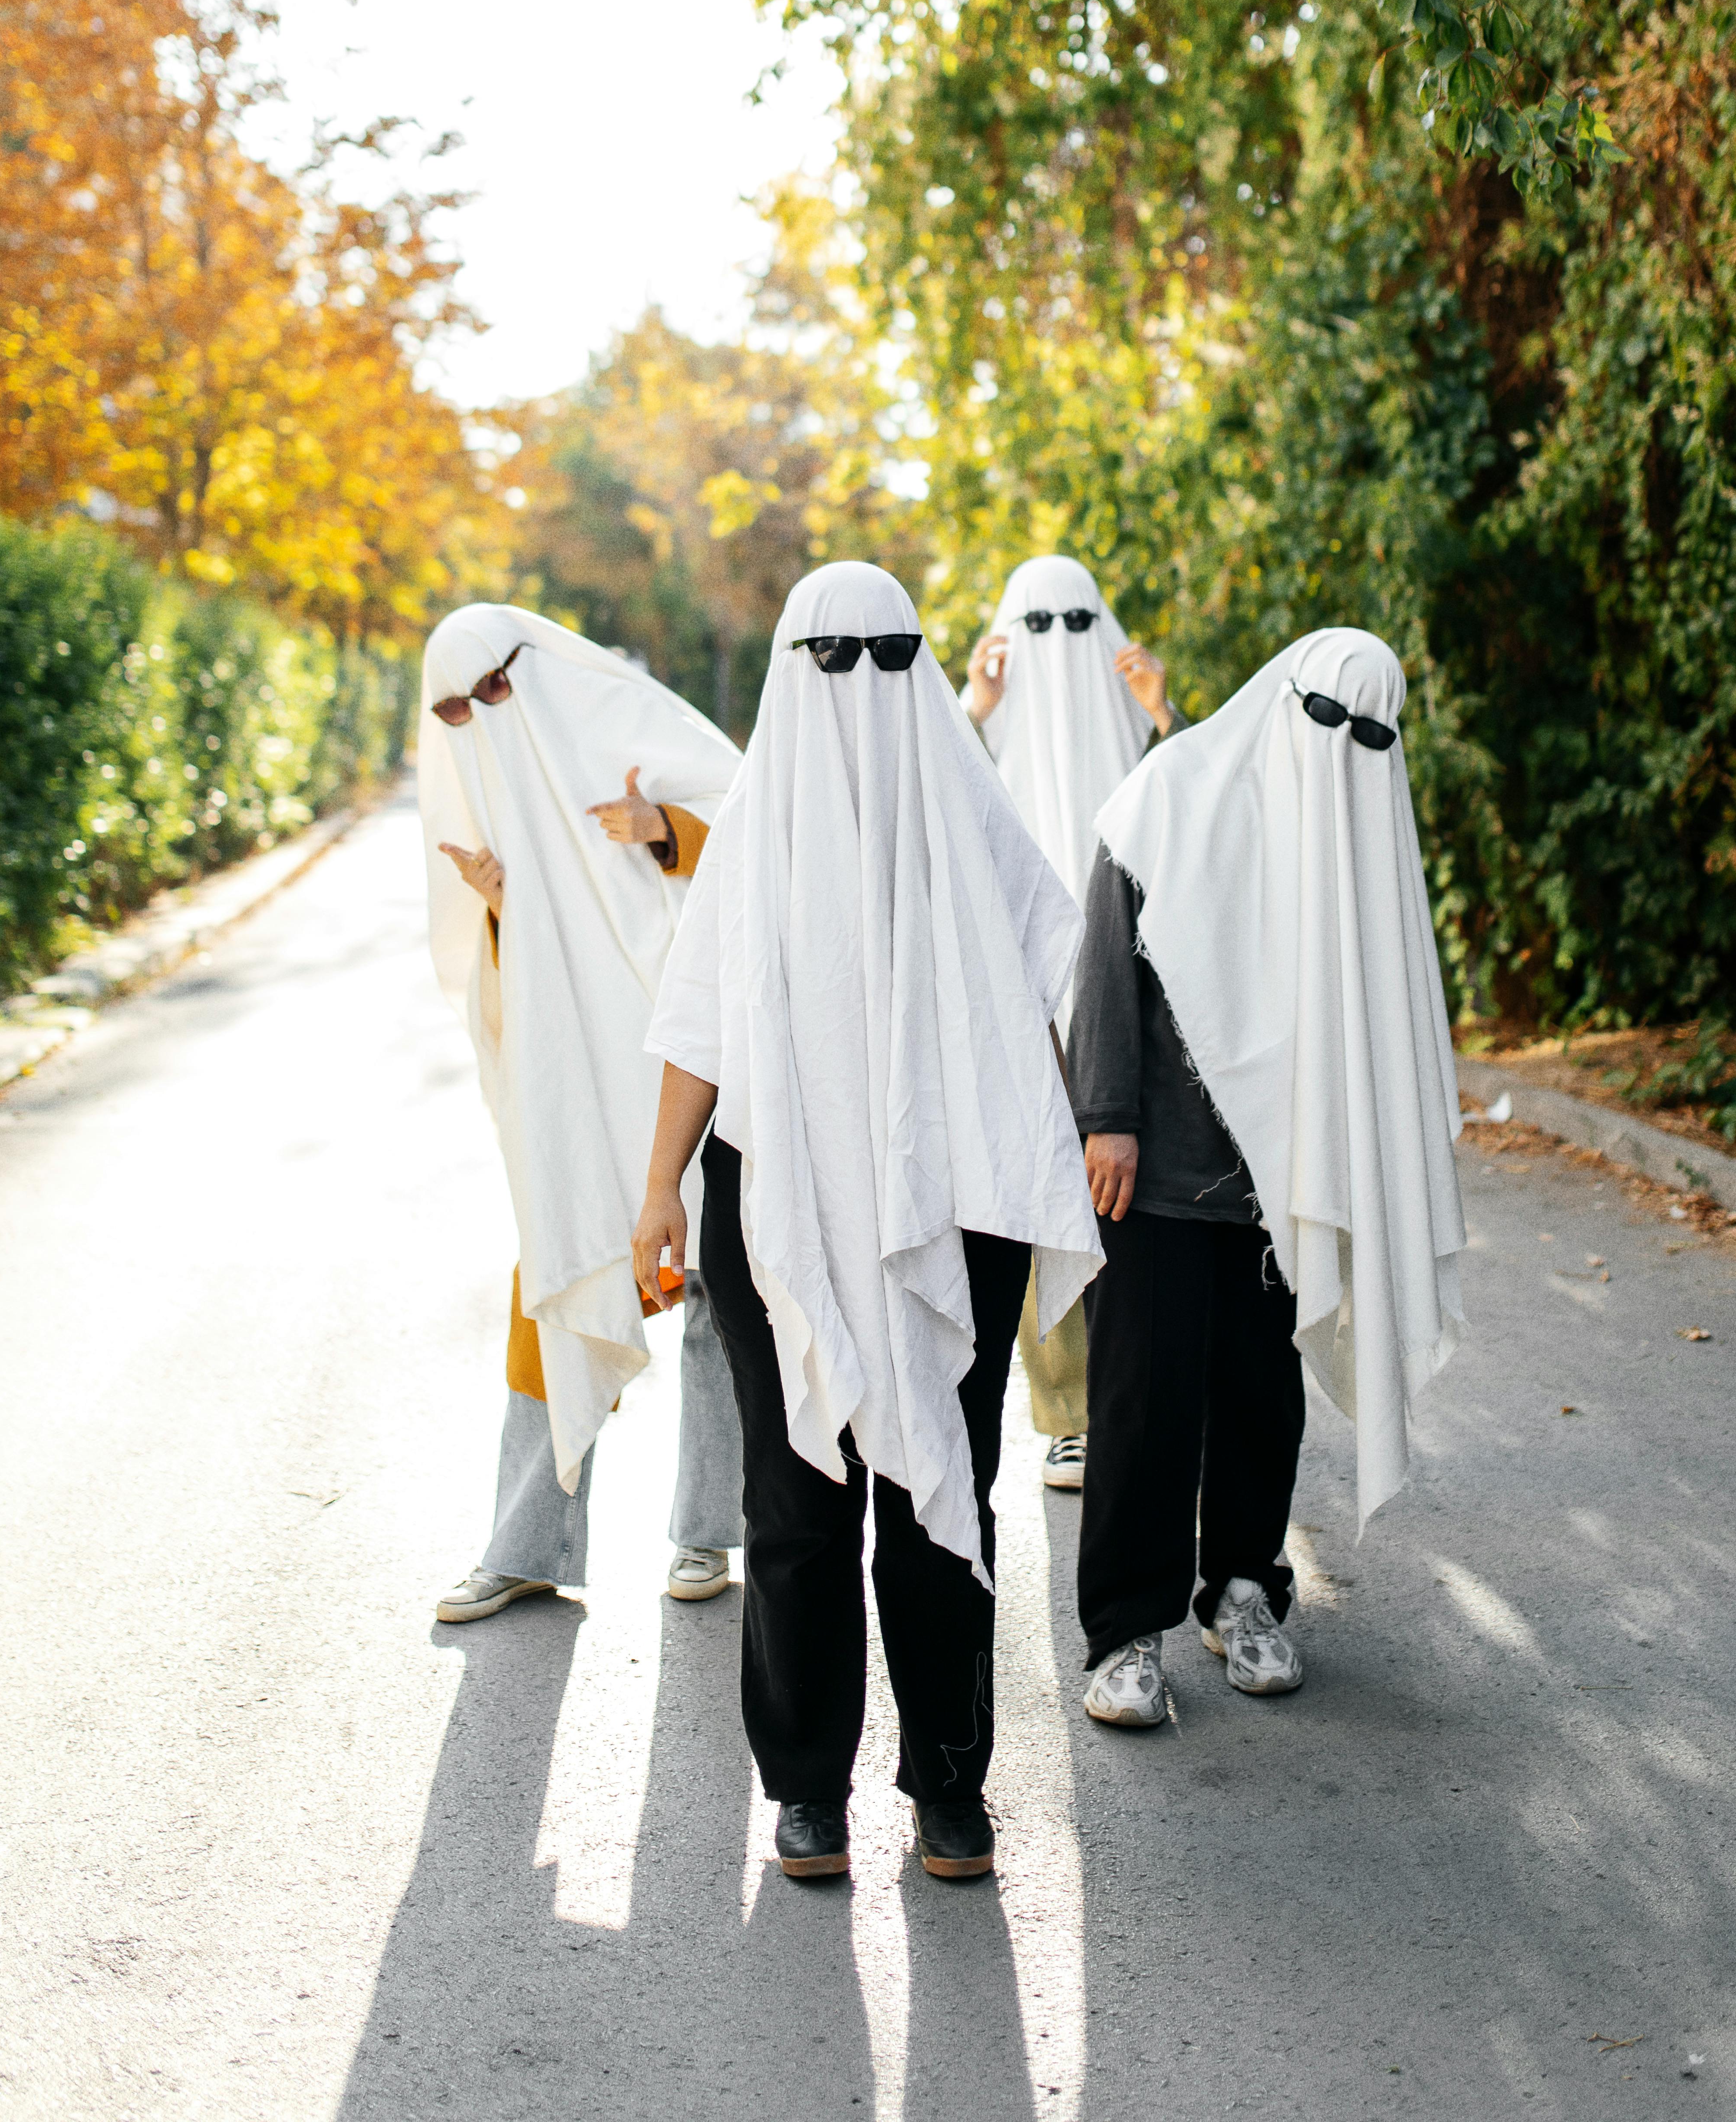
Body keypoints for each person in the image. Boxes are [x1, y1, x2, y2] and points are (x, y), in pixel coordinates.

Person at [634, 562, 1102, 1886]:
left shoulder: (975, 820)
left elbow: (1051, 999)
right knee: (793, 1503)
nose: (858, 685)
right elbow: (696, 1031)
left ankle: (951, 1790)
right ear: (793, 669)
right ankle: (807, 1793)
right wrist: (659, 1189)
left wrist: (1078, 1144)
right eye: (827, 659)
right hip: (777, 1196)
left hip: (954, 1210)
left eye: (883, 655)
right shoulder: (754, 837)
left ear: (920, 661)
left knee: (940, 1491)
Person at [1071, 627, 1468, 1729]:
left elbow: (1389, 1004)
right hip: (1150, 1173)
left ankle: (1243, 1591)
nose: (1348, 749)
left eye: (1374, 735)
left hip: (1281, 1185)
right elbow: (1101, 957)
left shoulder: (1357, 816)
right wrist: (1104, 1116)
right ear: (1288, 697)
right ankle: (1124, 1632)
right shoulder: (1175, 790)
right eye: (1333, 722)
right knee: (1142, 1404)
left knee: (1260, 1399)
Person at [415, 603, 744, 1623]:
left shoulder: (634, 724)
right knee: (553, 1277)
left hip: (692, 1061)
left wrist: (667, 832)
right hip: (582, 1076)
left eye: (497, 688)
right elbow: (504, 971)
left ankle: (707, 1531)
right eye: (456, 709)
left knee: (718, 1290)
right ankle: (526, 1544)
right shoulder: (489, 782)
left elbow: (760, 840)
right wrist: (506, 906)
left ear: (537, 666)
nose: (482, 718)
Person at [963, 553, 1175, 1493]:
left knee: (1136, 1193)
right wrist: (974, 705)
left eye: (1073, 624)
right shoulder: (978, 739)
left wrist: (1160, 712)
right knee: (1042, 1198)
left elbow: (1194, 814)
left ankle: (1147, 1397)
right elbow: (935, 804)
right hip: (1021, 995)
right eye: (1034, 626)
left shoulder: (1146, 744)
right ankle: (1069, 1415)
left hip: (1132, 994)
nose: (1057, 648)